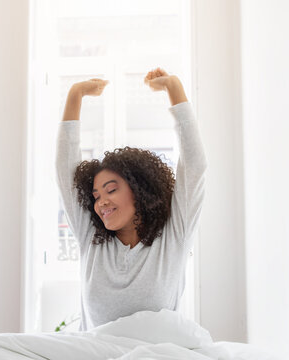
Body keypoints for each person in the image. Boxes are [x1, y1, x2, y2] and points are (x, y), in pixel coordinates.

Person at [56, 67, 207, 331]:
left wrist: (174, 89)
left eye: (111, 189)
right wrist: (75, 96)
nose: (101, 201)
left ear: (139, 190)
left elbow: (194, 166)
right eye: (96, 195)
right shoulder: (91, 239)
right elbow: (64, 169)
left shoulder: (173, 237)